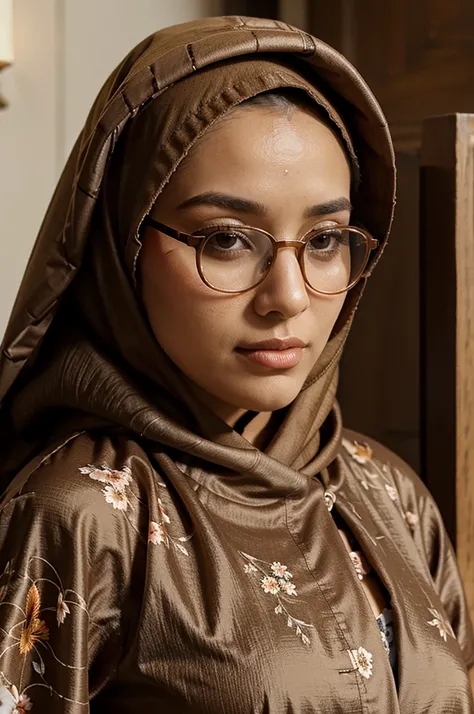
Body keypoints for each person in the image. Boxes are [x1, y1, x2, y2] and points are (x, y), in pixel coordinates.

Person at [0, 15, 472, 714]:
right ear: (124, 244)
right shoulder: (80, 511)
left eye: (326, 239)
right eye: (226, 240)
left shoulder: (391, 495)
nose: (287, 298)